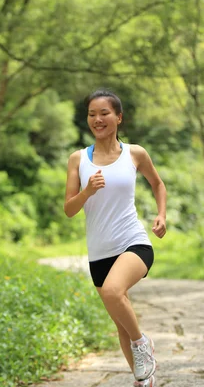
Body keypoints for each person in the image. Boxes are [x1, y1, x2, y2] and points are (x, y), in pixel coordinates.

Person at [64, 89, 167, 387]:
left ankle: (143, 343)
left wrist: (161, 215)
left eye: (104, 113)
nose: (98, 119)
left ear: (118, 117)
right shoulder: (78, 160)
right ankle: (143, 378)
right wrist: (87, 191)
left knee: (112, 292)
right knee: (120, 324)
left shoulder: (135, 153)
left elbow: (158, 184)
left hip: (133, 241)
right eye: (92, 114)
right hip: (99, 253)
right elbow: (69, 209)